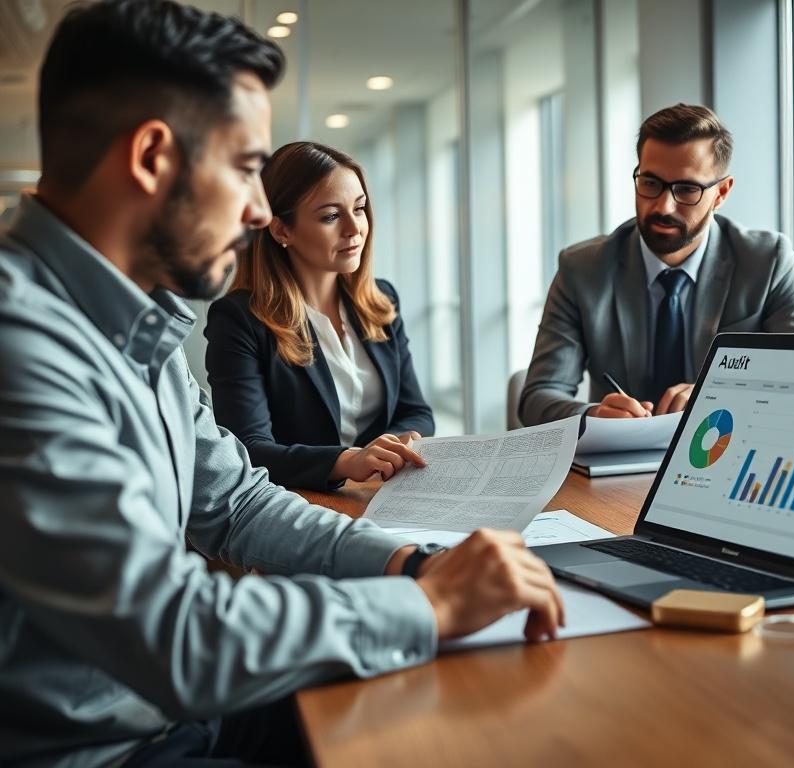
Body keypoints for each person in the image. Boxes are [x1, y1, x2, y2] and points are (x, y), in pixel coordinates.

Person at [0, 2, 563, 766]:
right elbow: (176, 634)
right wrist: (427, 606)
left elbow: (234, 504)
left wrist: (410, 566)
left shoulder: (142, 320)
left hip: (178, 716)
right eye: (243, 169)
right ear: (151, 158)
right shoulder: (20, 341)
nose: (261, 210)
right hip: (102, 750)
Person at [519, 104, 794, 426]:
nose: (664, 206)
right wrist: (594, 415)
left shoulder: (766, 261)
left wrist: (721, 393)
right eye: (650, 183)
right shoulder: (581, 269)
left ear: (721, 193)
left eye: (687, 189)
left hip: (726, 451)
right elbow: (538, 396)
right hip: (619, 466)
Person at [204, 142, 434, 491]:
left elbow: (417, 412)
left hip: (380, 493)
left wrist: (386, 451)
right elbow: (246, 449)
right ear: (281, 230)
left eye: (359, 209)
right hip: (298, 505)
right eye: (330, 216)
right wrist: (347, 460)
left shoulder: (381, 300)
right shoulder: (238, 320)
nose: (354, 228)